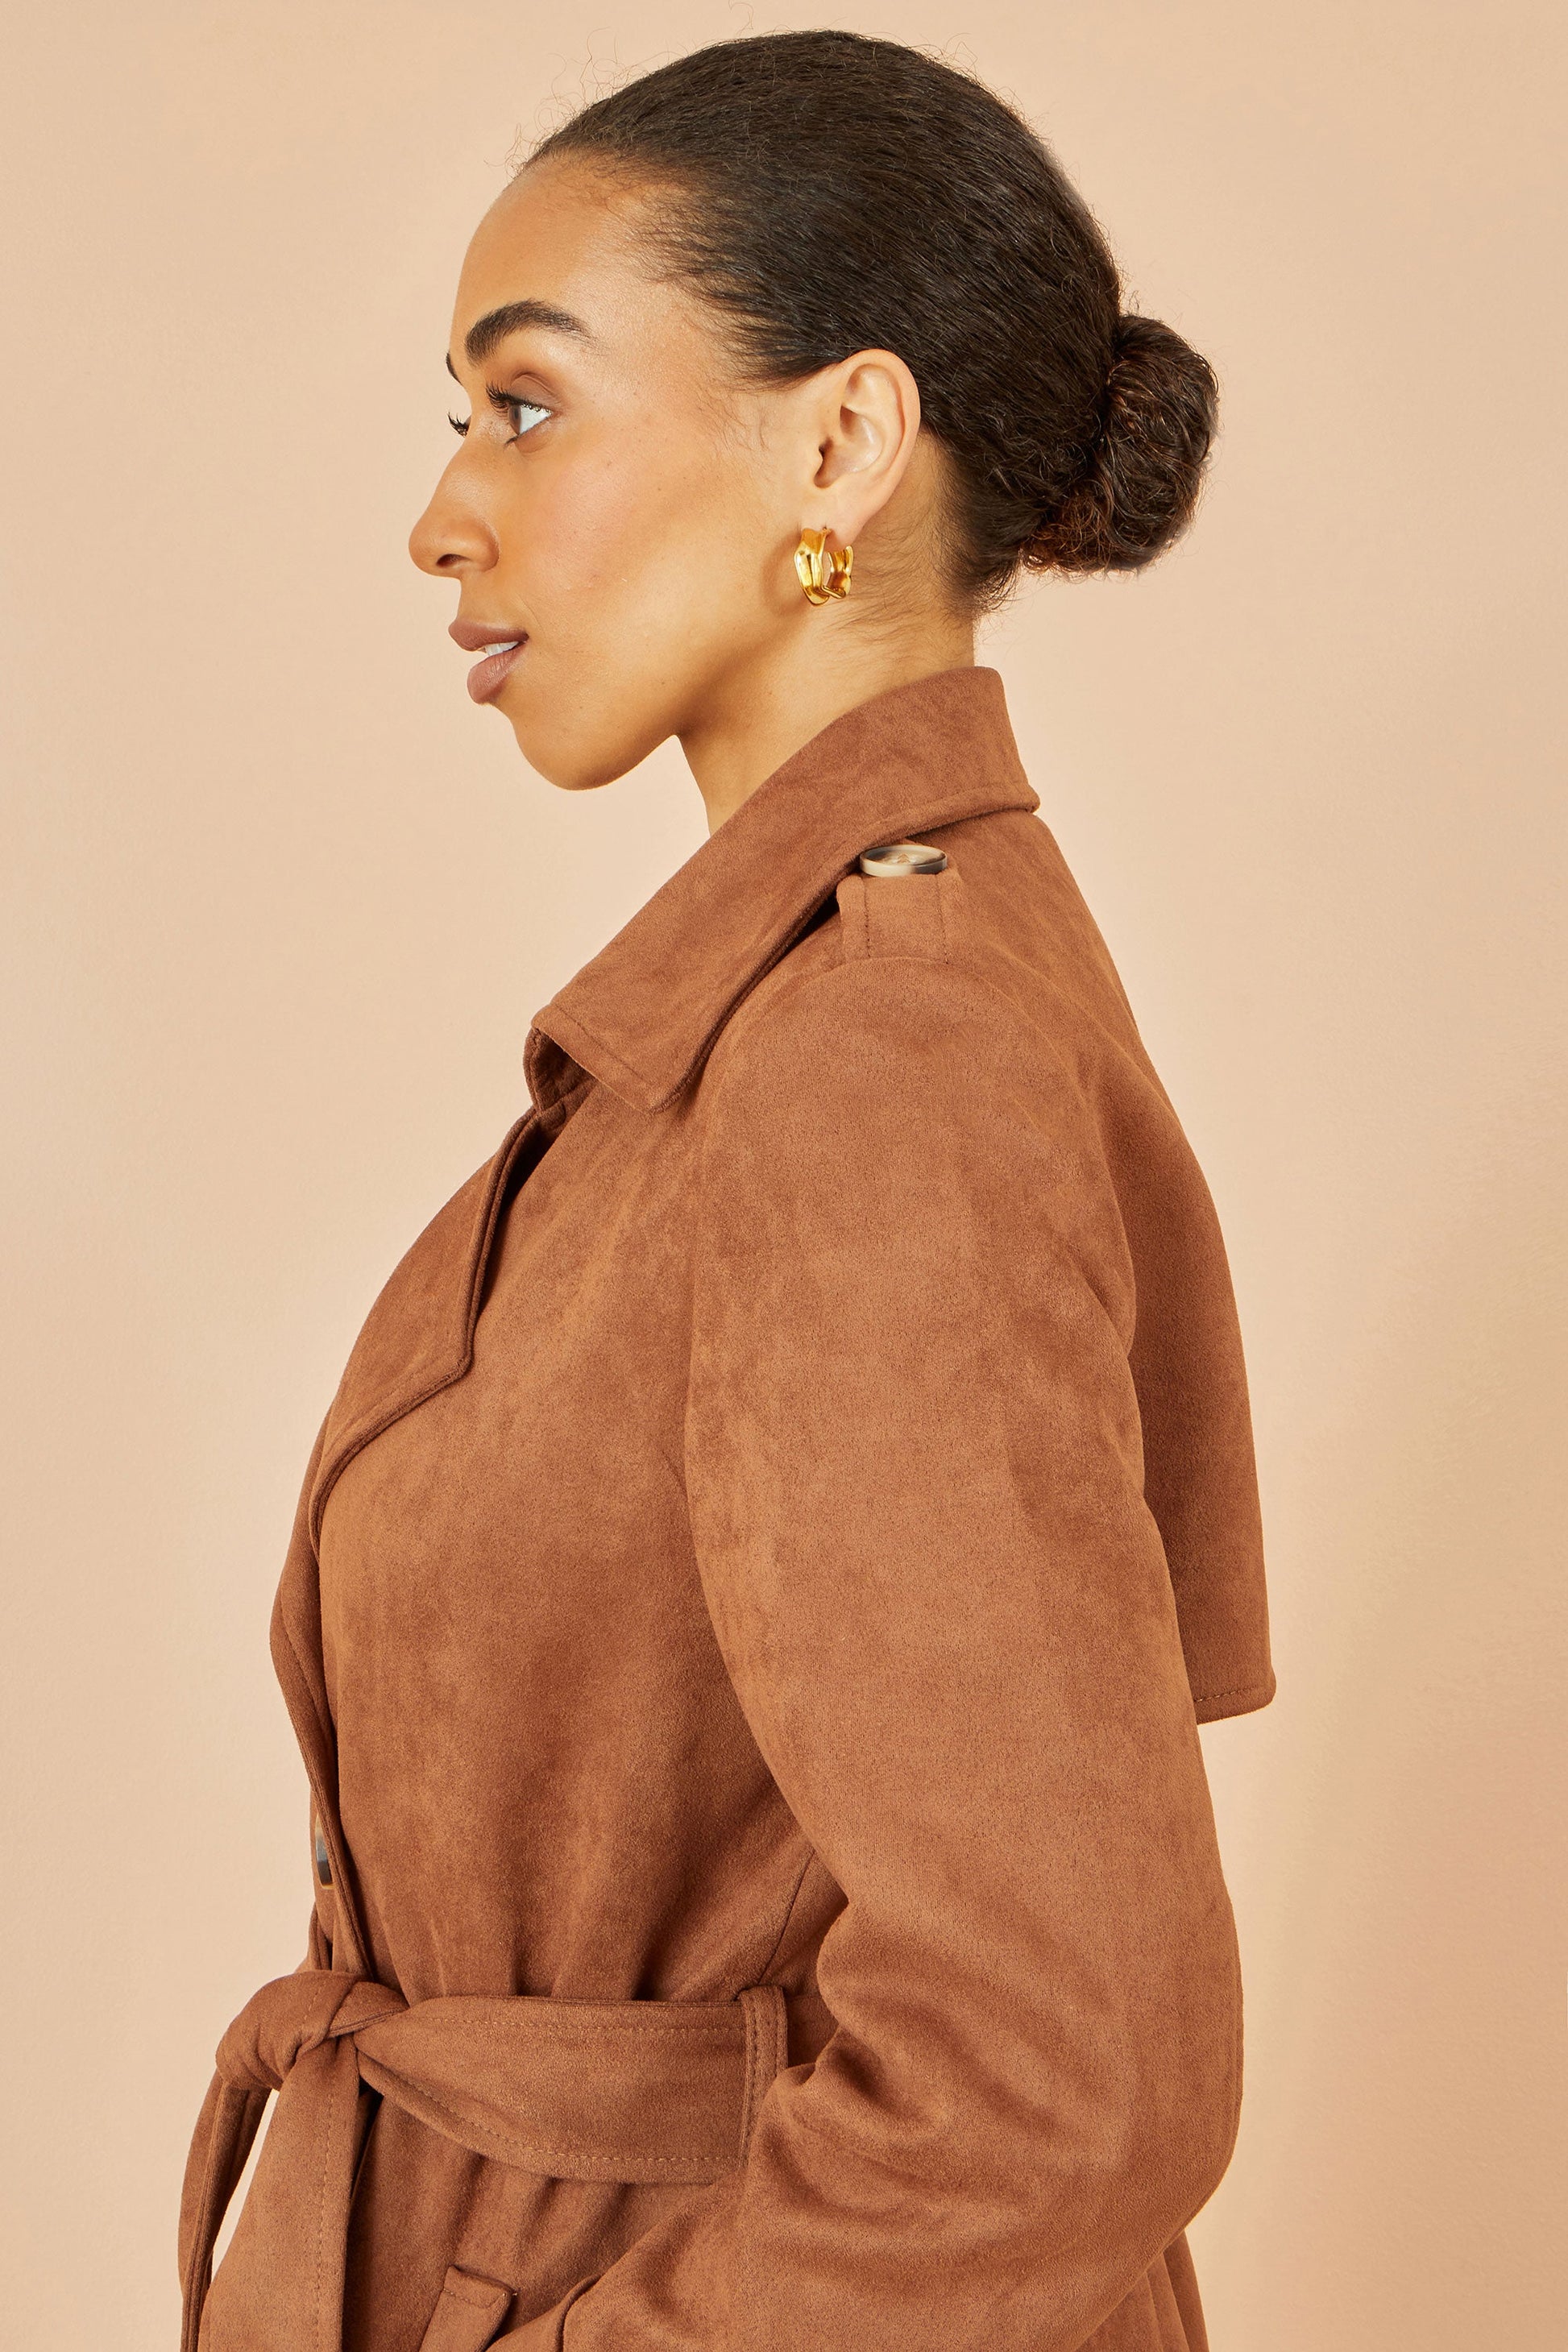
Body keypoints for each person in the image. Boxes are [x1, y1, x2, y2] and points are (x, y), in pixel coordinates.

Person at [176, 30, 1274, 2352]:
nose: (442, 514)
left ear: (840, 446)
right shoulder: (786, 1018)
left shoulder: (878, 1055)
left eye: (527, 404)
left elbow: (1059, 2085)